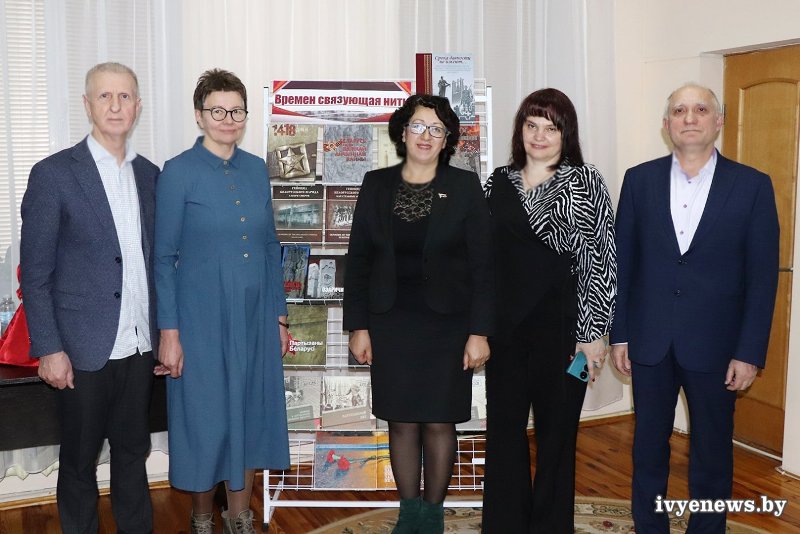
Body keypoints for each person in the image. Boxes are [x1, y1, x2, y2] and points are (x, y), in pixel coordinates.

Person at [611, 83, 779, 533]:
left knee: (712, 453)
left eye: (701, 109)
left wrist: (749, 352)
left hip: (717, 348)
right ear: (666, 124)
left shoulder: (752, 186)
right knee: (648, 449)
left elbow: (762, 279)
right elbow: (623, 264)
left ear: (718, 121)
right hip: (649, 342)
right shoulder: (639, 180)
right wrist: (620, 334)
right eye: (680, 110)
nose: (690, 118)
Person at [343, 94, 495, 534]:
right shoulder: (376, 184)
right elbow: (359, 260)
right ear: (402, 132)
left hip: (448, 326)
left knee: (439, 421)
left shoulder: (464, 186)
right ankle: (409, 513)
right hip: (390, 323)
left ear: (447, 139)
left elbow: (485, 266)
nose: (426, 136)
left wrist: (480, 332)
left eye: (436, 129)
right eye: (417, 126)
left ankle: (432, 515)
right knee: (401, 420)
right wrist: (358, 326)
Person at [20, 62, 159, 533]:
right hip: (81, 351)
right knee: (79, 462)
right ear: (87, 104)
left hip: (138, 346)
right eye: (104, 96)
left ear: (138, 106)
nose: (115, 106)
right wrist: (49, 348)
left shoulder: (150, 175)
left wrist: (166, 335)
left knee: (133, 453)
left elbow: (156, 264)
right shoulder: (54, 174)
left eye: (125, 96)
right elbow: (35, 275)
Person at [155, 69, 290, 534]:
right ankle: (201, 517)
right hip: (199, 322)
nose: (228, 119)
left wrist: (279, 317)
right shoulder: (178, 172)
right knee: (205, 419)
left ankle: (239, 515)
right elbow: (163, 258)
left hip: (254, 318)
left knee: (249, 414)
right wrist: (169, 333)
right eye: (218, 111)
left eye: (236, 111)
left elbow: (270, 246)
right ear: (199, 115)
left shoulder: (255, 169)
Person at [481, 88, 616, 533]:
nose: (539, 135)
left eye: (551, 127)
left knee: (557, 436)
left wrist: (592, 335)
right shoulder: (496, 183)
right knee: (504, 433)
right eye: (531, 125)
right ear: (520, 129)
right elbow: (482, 258)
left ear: (566, 133)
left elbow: (601, 259)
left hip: (566, 333)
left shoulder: (586, 180)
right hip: (505, 332)